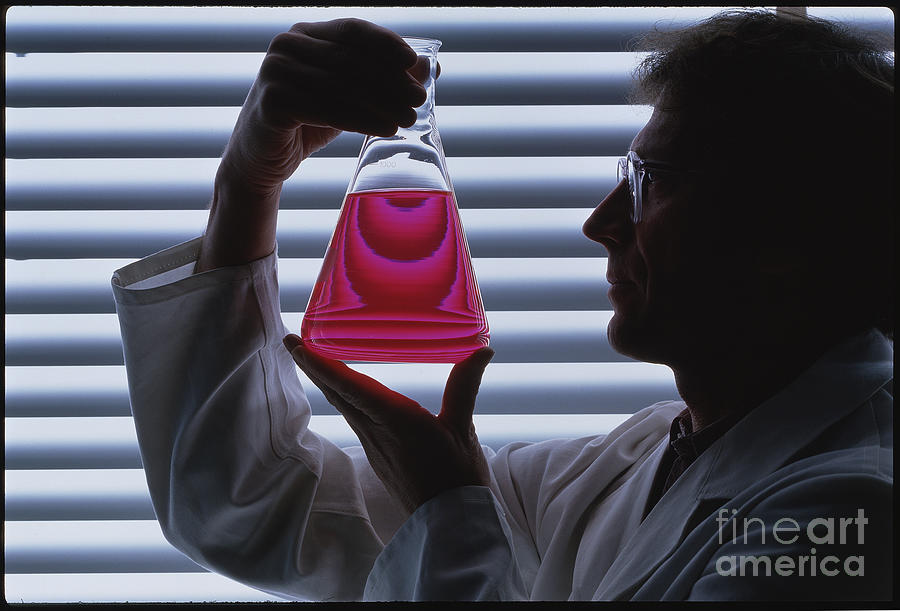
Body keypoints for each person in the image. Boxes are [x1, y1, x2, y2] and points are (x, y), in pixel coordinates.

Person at [112, 9, 893, 601]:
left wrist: (447, 504)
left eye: (655, 183)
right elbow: (247, 504)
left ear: (794, 232)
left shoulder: (852, 511)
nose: (600, 223)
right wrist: (249, 182)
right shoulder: (627, 466)